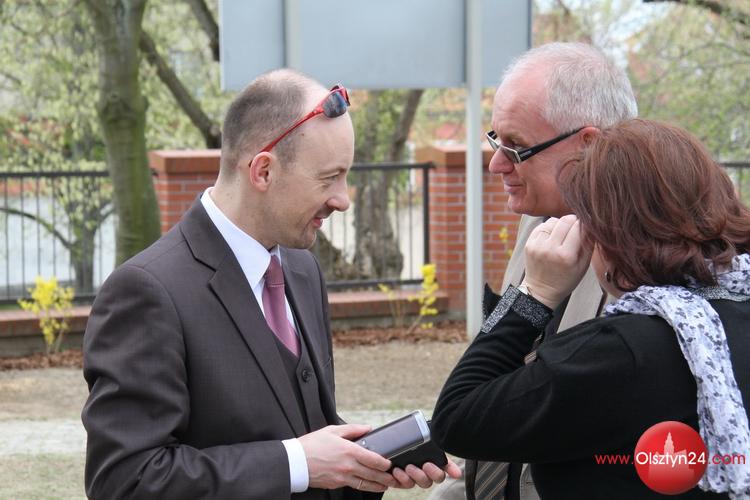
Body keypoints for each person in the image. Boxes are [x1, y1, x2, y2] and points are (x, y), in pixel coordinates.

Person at [82, 69, 459, 499]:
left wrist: (363, 466)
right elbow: (125, 481)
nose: (343, 199)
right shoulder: (146, 292)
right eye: (328, 178)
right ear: (263, 171)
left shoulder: (302, 269)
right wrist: (296, 462)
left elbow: (308, 439)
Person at [431, 118, 750, 499]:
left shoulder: (619, 352)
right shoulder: (737, 311)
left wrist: (533, 295)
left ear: (612, 231)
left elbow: (457, 417)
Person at [428, 42, 638, 500]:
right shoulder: (541, 215)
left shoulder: (652, 259)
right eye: (497, 140)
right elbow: (505, 373)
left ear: (589, 145)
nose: (496, 164)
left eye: (518, 147)